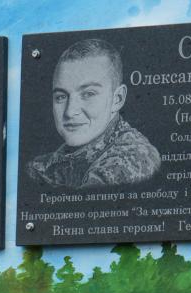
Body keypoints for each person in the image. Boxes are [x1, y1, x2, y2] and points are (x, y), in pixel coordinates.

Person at [27, 38, 160, 190]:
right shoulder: (44, 165)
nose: (70, 112)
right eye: (61, 97)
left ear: (117, 99)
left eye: (88, 94)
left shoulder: (131, 159)